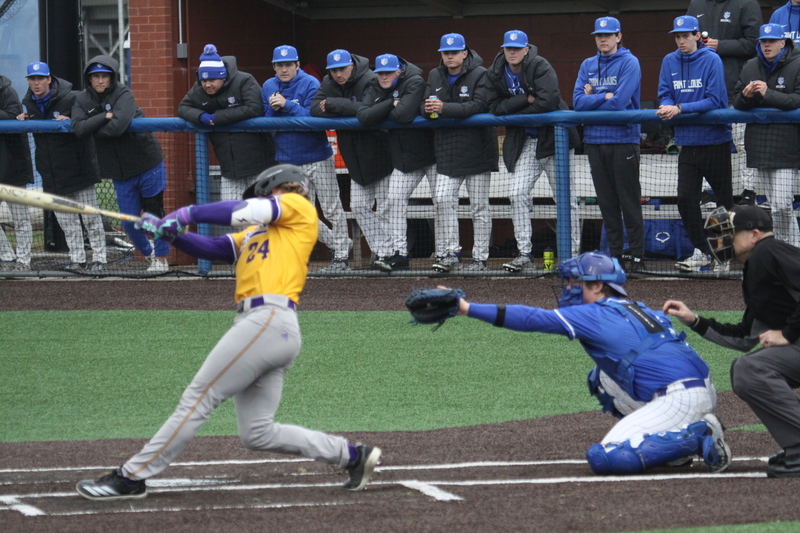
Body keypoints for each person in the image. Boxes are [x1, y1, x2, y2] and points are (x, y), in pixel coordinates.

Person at [75, 164, 382, 500]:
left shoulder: (298, 206)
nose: (261, 201)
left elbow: (240, 210)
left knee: (199, 397)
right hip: (270, 330)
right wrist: (169, 233)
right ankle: (352, 456)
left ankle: (131, 476)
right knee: (258, 433)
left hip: (267, 320)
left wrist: (184, 213)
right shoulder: (255, 234)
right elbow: (213, 248)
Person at [452, 251, 731, 475]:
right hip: (700, 389)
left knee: (608, 457)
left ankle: (700, 436)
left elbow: (530, 319)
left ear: (598, 286)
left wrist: (467, 308)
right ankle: (675, 452)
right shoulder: (640, 307)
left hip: (679, 400)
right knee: (602, 379)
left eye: (577, 283)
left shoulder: (593, 313)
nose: (569, 288)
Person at [663, 205, 800, 477]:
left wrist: (787, 334)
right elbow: (746, 337)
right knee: (747, 368)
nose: (722, 240)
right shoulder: (759, 265)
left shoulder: (768, 251)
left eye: (730, 233)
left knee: (751, 370)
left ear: (755, 234)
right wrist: (695, 320)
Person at [486, 30, 582, 273]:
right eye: (509, 48)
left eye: (517, 48)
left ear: (526, 49)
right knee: (516, 194)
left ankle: (571, 257)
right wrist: (524, 102)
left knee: (565, 199)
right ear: (503, 50)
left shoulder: (540, 65)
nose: (513, 52)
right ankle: (524, 253)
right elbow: (494, 107)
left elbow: (549, 101)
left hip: (555, 139)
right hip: (527, 141)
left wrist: (514, 115)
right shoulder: (496, 72)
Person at [71, 55, 169, 273]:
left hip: (147, 163)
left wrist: (93, 128)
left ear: (112, 77)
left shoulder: (123, 93)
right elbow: (78, 129)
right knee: (128, 223)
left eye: (104, 76)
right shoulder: (82, 99)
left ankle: (161, 258)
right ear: (89, 79)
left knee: (153, 214)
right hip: (119, 172)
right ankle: (149, 254)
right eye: (95, 76)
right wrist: (104, 116)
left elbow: (117, 128)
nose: (100, 80)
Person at [263, 45, 351, 273]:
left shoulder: (311, 83)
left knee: (331, 209)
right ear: (274, 66)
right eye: (280, 65)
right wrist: (274, 108)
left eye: (288, 65)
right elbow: (263, 120)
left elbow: (316, 117)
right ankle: (340, 245)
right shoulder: (268, 86)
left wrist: (288, 105)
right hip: (288, 160)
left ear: (297, 65)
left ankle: (341, 258)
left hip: (317, 157)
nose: (284, 69)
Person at [657, 16, 734, 272]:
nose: (681, 41)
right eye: (677, 36)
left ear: (696, 36)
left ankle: (723, 255)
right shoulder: (669, 60)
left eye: (686, 36)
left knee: (723, 203)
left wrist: (680, 108)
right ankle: (702, 250)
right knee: (685, 199)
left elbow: (715, 101)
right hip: (687, 144)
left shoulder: (711, 58)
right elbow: (664, 92)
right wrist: (668, 104)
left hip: (715, 142)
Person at [17, 61, 107, 273]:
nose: (36, 83)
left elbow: (96, 113)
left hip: (79, 168)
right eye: (32, 79)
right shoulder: (29, 102)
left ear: (49, 79)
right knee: (67, 222)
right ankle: (78, 260)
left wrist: (76, 117)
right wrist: (24, 117)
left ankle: (100, 259)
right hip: (51, 172)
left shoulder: (73, 96)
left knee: (91, 219)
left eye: (40, 78)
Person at [573, 18, 644, 272]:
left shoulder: (629, 62)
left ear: (618, 36)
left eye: (608, 35)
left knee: (629, 201)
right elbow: (577, 102)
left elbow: (620, 103)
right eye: (598, 35)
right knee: (606, 203)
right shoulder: (587, 64)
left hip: (623, 140)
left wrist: (593, 97)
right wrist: (603, 96)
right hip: (594, 141)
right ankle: (615, 257)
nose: (602, 39)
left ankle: (636, 257)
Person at [422, 33, 498, 272]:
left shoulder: (480, 73)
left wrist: (445, 108)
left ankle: (479, 258)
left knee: (479, 207)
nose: (450, 56)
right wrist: (428, 110)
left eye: (454, 52)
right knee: (443, 199)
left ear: (465, 53)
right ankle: (452, 253)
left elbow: (479, 106)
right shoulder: (435, 75)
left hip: (477, 150)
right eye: (446, 52)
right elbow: (424, 106)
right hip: (447, 149)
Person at [311, 49, 393, 270]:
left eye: (342, 69)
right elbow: (314, 110)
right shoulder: (329, 83)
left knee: (386, 208)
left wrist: (334, 104)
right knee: (358, 206)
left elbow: (368, 111)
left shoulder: (369, 79)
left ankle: (392, 254)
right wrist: (348, 108)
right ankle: (385, 251)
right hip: (354, 158)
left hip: (381, 153)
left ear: (352, 66)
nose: (338, 74)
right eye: (334, 70)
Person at [357, 53, 437, 272]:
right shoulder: (374, 86)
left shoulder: (415, 80)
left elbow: (404, 114)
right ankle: (400, 254)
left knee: (442, 202)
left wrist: (381, 109)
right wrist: (390, 103)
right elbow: (363, 116)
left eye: (388, 72)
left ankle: (447, 254)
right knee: (394, 200)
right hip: (404, 157)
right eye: (380, 73)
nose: (383, 77)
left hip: (431, 153)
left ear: (399, 71)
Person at [179, 44, 276, 204]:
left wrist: (217, 117)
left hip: (260, 165)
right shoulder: (199, 89)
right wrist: (201, 116)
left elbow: (255, 108)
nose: (207, 85)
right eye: (203, 80)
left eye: (211, 80)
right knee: (234, 214)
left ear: (223, 76)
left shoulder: (244, 80)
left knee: (262, 214)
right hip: (229, 167)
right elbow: (183, 107)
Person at [687, 0, 762, 206]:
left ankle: (749, 191)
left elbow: (756, 43)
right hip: (702, 91)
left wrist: (720, 45)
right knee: (707, 142)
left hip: (735, 89)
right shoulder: (696, 4)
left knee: (743, 143)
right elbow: (686, 40)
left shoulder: (746, 3)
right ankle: (709, 190)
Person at [733, 24, 800, 247]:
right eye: (763, 41)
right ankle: (787, 251)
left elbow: (797, 100)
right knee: (775, 204)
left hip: (787, 143)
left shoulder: (797, 62)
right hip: (760, 142)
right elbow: (737, 102)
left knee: (782, 205)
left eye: (771, 41)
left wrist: (767, 94)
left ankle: (790, 250)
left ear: (783, 42)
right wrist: (745, 96)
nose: (767, 45)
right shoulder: (751, 65)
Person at [0, 70, 34, 271]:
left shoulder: (6, 90)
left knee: (21, 219)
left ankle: (23, 261)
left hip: (13, 167)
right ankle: (6, 257)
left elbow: (13, 115)